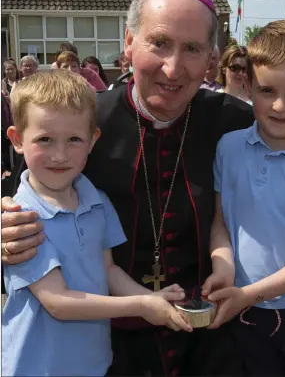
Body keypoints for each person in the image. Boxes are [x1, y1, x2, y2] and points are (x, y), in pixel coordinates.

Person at [2, 0, 285, 377]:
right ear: (128, 43)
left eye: (192, 48)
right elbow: (21, 192)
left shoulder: (234, 120)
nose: (173, 67)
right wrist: (7, 228)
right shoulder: (80, 124)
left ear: (212, 58)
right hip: (107, 341)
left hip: (211, 335)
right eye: (159, 43)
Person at [2, 70, 191, 377]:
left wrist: (150, 297)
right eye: (45, 140)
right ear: (17, 140)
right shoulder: (22, 218)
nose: (60, 155)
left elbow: (108, 270)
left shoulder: (97, 200)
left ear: (93, 141)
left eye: (74, 139)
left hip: (93, 364)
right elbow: (58, 302)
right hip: (37, 368)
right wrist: (141, 307)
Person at [205, 20, 285, 376]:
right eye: (267, 90)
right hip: (235, 307)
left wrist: (248, 294)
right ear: (248, 84)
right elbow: (220, 224)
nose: (279, 106)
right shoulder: (228, 148)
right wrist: (223, 269)